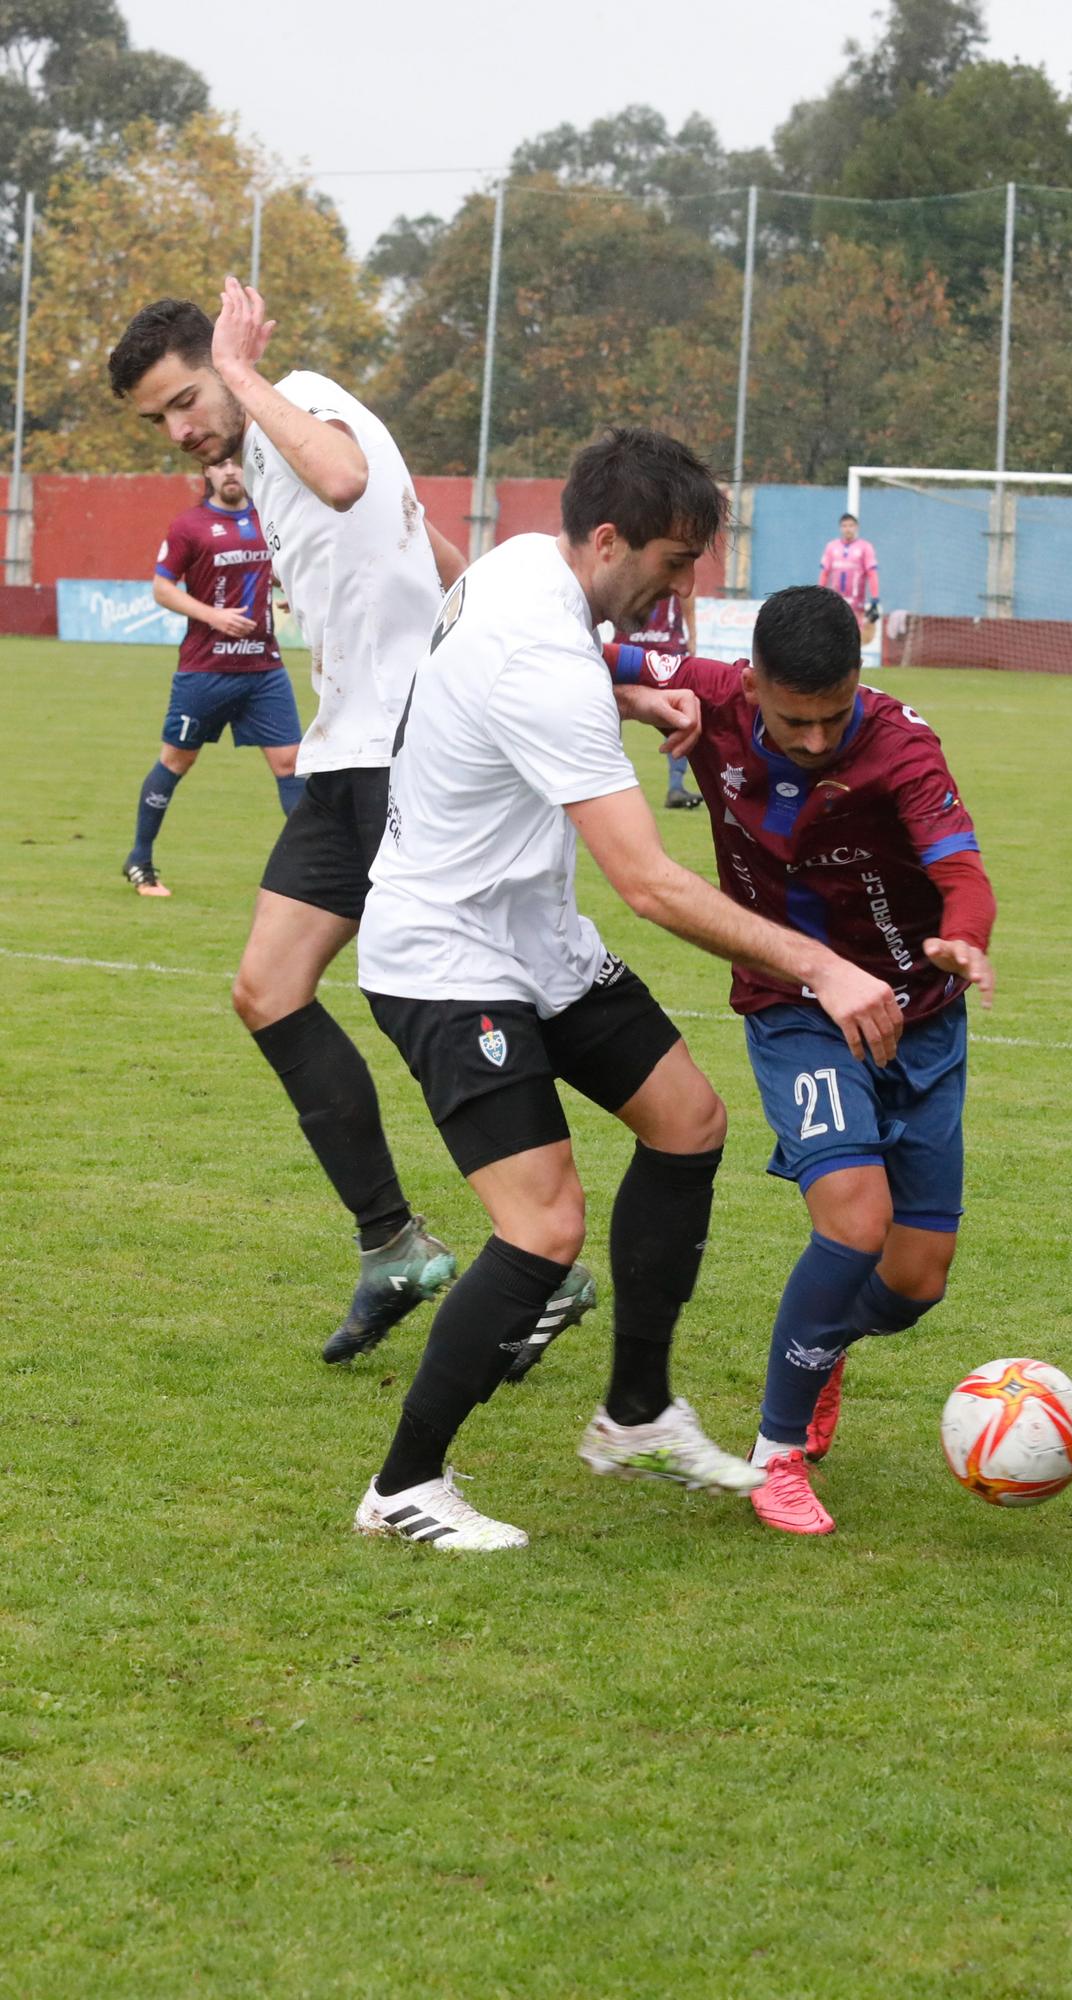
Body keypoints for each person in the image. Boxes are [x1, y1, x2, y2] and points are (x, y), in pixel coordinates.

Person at [351, 429, 903, 1553]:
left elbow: (537, 678)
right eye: (672, 558)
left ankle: (635, 1410)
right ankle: (403, 1485)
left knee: (686, 1120)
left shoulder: (522, 572)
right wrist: (821, 962)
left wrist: (634, 698)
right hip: (448, 959)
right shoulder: (539, 652)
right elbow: (649, 883)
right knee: (545, 1224)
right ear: (607, 539)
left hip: (534, 937)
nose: (684, 583)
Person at [108, 282, 595, 1366]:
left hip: (397, 758)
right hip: (344, 756)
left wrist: (242, 376)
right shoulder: (272, 436)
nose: (182, 431)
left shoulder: (300, 406)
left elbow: (345, 475)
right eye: (161, 421)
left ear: (221, 364)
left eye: (185, 399)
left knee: (441, 998)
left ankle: (544, 1262)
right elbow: (420, 540)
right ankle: (394, 1245)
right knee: (267, 990)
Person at [605, 584, 996, 1536]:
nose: (815, 739)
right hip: (796, 1005)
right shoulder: (709, 691)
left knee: (915, 1281)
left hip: (923, 1021)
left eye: (832, 717)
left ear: (858, 680)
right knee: (853, 1219)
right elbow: (570, 651)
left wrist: (964, 936)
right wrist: (637, 697)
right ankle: (776, 1457)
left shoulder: (903, 747)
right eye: (793, 719)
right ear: (754, 685)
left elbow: (960, 869)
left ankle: (818, 1351)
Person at [122, 457, 304, 898]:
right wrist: (213, 617)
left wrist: (291, 595)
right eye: (219, 466)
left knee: (292, 765)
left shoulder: (268, 519)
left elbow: (281, 569)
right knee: (177, 761)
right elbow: (162, 587)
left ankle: (307, 874)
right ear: (206, 473)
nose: (229, 472)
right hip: (205, 671)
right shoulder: (190, 526)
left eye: (236, 464)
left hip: (263, 668)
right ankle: (140, 860)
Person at [614, 592, 702, 807]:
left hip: (652, 643)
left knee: (677, 713)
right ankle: (674, 786)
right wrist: (692, 636)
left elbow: (686, 592)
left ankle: (675, 788)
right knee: (608, 709)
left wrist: (691, 635)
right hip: (652, 643)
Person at [819, 512, 880, 642]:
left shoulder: (865, 547)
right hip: (835, 600)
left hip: (856, 602)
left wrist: (874, 600)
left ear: (856, 527)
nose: (848, 529)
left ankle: (853, 661)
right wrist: (819, 594)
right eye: (844, 525)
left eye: (851, 525)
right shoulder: (831, 547)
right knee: (833, 633)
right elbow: (825, 573)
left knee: (854, 635)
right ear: (840, 528)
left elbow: (872, 574)